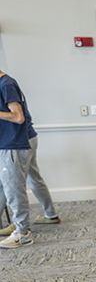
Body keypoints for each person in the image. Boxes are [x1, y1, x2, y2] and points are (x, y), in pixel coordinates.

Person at [0, 117, 60, 237]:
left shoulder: (7, 97)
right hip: (28, 137)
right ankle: (51, 214)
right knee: (34, 179)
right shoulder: (16, 97)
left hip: (18, 141)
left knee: (10, 184)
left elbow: (18, 117)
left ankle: (21, 227)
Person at [0, 69, 37, 248]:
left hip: (13, 144)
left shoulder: (6, 84)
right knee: (4, 187)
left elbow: (18, 117)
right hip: (7, 144)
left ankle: (23, 233)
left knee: (14, 190)